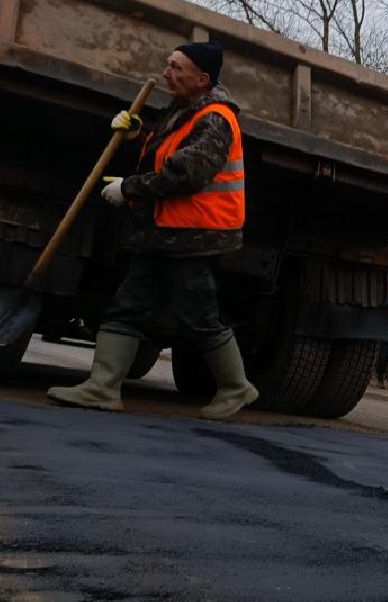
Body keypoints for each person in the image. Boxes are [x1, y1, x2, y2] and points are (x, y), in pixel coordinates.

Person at [48, 41, 257, 419]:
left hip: (195, 236)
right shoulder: (183, 111)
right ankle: (102, 388)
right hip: (163, 232)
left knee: (199, 315)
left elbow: (185, 175)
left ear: (202, 79)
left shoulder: (216, 119)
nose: (167, 72)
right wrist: (138, 131)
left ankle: (236, 388)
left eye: (177, 67)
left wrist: (129, 188)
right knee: (128, 307)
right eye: (168, 64)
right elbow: (167, 155)